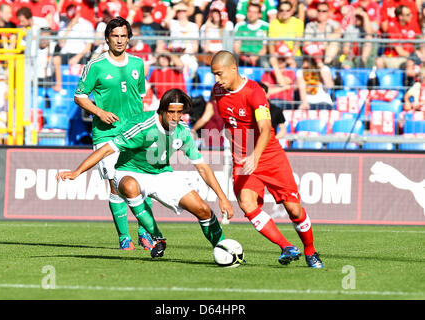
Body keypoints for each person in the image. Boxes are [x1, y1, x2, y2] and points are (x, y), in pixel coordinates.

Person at [57, 89, 234, 258]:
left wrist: (222, 197)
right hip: (129, 172)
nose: (175, 117)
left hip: (162, 174)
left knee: (203, 210)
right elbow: (105, 150)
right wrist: (77, 172)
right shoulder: (143, 126)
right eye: (171, 112)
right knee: (129, 186)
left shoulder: (182, 131)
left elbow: (202, 166)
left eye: (179, 112)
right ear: (162, 110)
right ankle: (157, 237)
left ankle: (226, 250)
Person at [210, 50, 323, 268]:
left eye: (219, 74)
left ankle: (311, 252)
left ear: (234, 69)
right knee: (246, 203)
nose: (216, 80)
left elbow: (265, 128)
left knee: (294, 210)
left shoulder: (254, 93)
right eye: (214, 74)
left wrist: (255, 155)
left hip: (269, 156)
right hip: (243, 159)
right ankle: (286, 246)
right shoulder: (218, 91)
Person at [74, 17, 154, 251]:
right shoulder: (96, 66)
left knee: (144, 184)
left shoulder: (138, 64)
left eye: (123, 36)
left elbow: (139, 98)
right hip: (106, 134)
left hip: (135, 132)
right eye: (115, 36)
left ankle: (144, 234)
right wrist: (99, 111)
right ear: (107, 38)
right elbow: (79, 96)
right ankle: (124, 237)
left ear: (129, 39)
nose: (119, 40)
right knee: (116, 185)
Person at [377, 5, 422, 70]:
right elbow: (400, 51)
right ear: (400, 17)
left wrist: (420, 53)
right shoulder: (392, 26)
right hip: (395, 58)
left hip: (409, 58)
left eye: (410, 14)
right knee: (379, 61)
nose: (411, 16)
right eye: (408, 14)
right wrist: (414, 56)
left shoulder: (413, 24)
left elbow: (421, 40)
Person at [303, 1, 342, 67]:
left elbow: (338, 34)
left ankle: (326, 65)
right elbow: (307, 43)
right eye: (319, 11)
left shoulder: (334, 24)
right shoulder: (310, 25)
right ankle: (323, 66)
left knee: (335, 43)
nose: (321, 13)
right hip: (314, 54)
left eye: (324, 11)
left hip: (329, 54)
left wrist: (323, 44)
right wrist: (321, 46)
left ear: (328, 12)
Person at [268, 1, 304, 68]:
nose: (284, 13)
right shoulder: (273, 23)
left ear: (292, 11)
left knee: (292, 63)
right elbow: (271, 44)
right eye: (282, 10)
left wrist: (290, 57)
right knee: (273, 62)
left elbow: (297, 42)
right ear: (278, 11)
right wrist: (274, 58)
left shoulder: (298, 23)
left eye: (287, 10)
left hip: (294, 56)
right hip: (278, 56)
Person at [233, 2, 269, 67]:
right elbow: (236, 47)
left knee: (264, 63)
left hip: (258, 57)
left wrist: (255, 58)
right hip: (242, 56)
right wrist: (244, 57)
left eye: (254, 12)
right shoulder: (240, 26)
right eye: (249, 11)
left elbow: (264, 48)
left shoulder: (266, 27)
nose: (251, 14)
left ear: (260, 14)